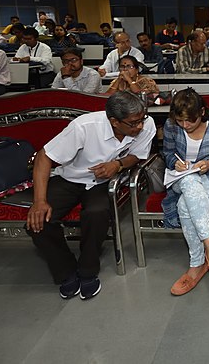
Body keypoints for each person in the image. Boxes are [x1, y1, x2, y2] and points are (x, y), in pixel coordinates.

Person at [26, 92, 155, 300]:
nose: (140, 126)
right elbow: (44, 156)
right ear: (114, 121)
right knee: (39, 221)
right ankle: (66, 271)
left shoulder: (146, 125)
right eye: (133, 123)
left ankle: (87, 270)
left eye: (142, 119)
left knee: (97, 213)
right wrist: (39, 201)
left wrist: (118, 164)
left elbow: (137, 156)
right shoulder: (84, 127)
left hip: (103, 182)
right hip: (71, 178)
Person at [161, 88, 209, 295]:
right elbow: (166, 152)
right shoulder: (171, 126)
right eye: (180, 121)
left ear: (202, 112)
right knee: (189, 181)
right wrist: (174, 162)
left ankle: (197, 263)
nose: (185, 126)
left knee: (185, 203)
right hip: (180, 178)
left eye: (190, 122)